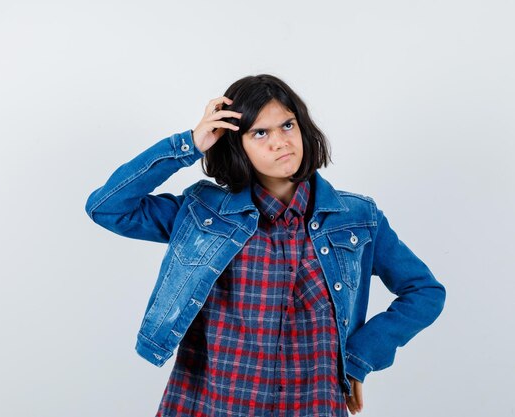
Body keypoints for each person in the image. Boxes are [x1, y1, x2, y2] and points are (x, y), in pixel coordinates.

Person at [85, 74, 446, 416]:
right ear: (236, 144)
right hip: (215, 400)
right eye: (259, 133)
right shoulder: (202, 214)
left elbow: (424, 292)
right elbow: (108, 207)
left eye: (287, 125)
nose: (279, 141)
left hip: (313, 402)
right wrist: (188, 145)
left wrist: (360, 357)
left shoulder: (356, 218)